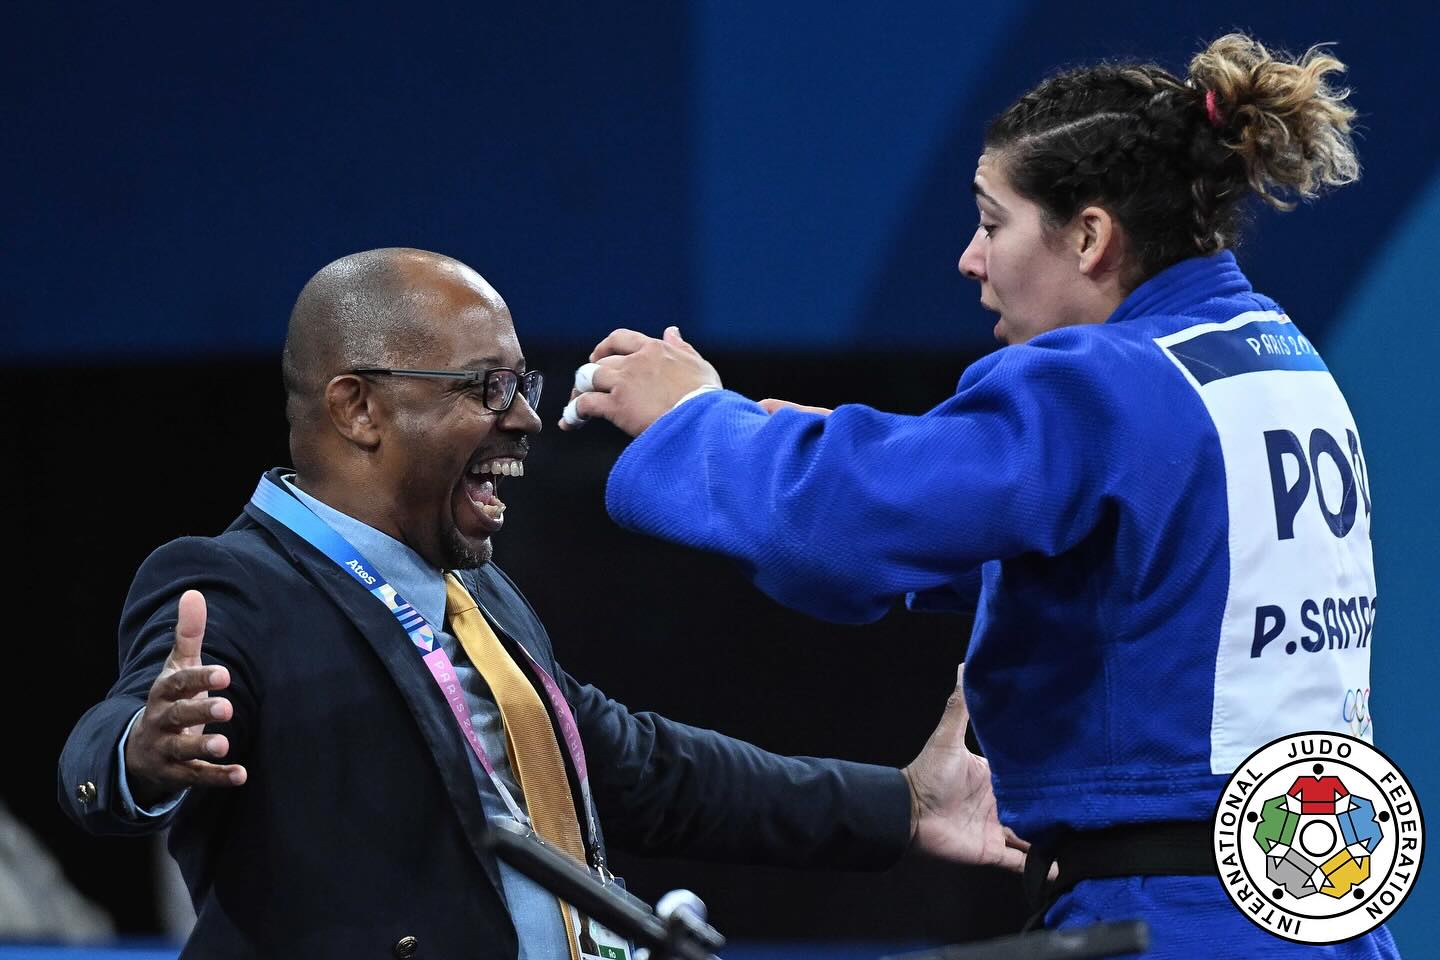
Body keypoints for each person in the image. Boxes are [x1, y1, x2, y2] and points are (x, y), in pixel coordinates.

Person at [562, 34, 1397, 958]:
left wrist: (695, 420)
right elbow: (1129, 562)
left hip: (1172, 924)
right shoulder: (1263, 354)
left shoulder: (1101, 384)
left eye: (993, 223)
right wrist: (831, 441)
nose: (969, 258)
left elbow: (841, 528)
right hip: (1313, 907)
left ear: (1088, 236)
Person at [57, 248, 1024, 959]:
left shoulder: (478, 595)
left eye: (520, 382)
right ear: (357, 409)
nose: (524, 417)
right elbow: (102, 754)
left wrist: (901, 805)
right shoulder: (233, 584)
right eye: (487, 387)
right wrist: (143, 753)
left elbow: (641, 771)